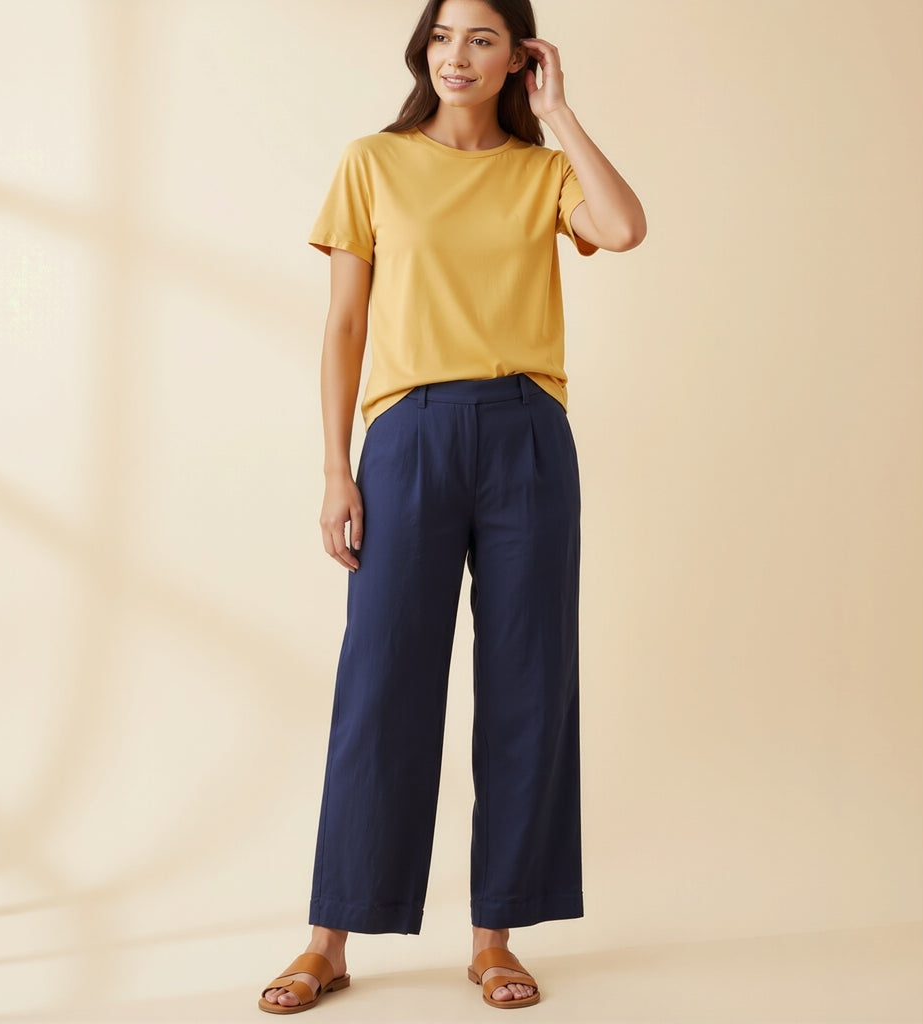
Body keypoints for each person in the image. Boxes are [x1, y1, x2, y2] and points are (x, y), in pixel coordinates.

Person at [259, 0, 645, 1013]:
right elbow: (345, 323)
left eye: (482, 37)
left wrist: (560, 115)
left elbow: (624, 227)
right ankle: (330, 938)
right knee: (381, 683)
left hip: (526, 430)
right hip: (409, 435)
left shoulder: (541, 172)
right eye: (441, 36)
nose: (457, 55)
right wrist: (337, 470)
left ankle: (493, 939)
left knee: (528, 683)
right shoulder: (373, 162)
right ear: (420, 50)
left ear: (518, 56)